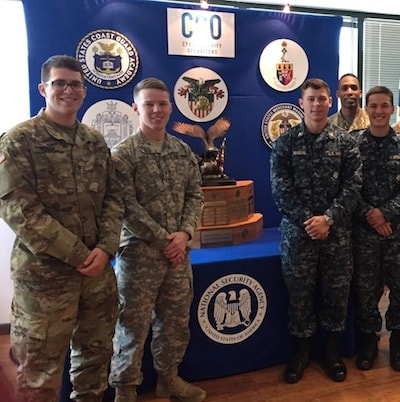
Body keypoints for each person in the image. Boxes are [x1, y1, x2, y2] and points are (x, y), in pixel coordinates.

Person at [0, 55, 124, 402]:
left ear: (84, 91)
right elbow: (20, 212)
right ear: (43, 88)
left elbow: (114, 198)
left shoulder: (95, 142)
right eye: (60, 83)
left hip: (97, 276)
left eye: (75, 84)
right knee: (39, 375)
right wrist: (81, 255)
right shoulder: (18, 141)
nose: (68, 90)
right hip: (45, 281)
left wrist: (106, 248)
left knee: (94, 363)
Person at [109, 77, 206, 402]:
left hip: (178, 257)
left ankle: (169, 381)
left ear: (171, 107)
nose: (156, 109)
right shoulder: (124, 154)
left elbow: (195, 196)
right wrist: (167, 239)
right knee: (131, 327)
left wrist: (185, 233)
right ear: (136, 108)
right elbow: (126, 206)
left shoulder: (182, 152)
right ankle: (125, 390)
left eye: (162, 104)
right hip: (139, 258)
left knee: (175, 323)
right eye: (149, 104)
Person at [270, 78, 362, 384]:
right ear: (301, 102)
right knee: (300, 296)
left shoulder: (345, 143)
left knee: (336, 294)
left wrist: (329, 219)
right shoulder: (285, 142)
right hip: (299, 236)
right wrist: (311, 220)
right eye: (310, 99)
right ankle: (301, 353)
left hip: (336, 235)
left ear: (329, 101)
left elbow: (353, 186)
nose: (316, 104)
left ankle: (332, 352)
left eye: (321, 99)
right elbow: (280, 190)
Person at [352, 86, 400, 372]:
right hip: (365, 231)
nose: (379, 111)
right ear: (366, 109)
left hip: (397, 230)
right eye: (373, 106)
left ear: (392, 109)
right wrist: (372, 216)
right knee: (366, 290)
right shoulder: (354, 146)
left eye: (384, 106)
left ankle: (397, 342)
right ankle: (369, 342)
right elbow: (347, 187)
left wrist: (386, 213)